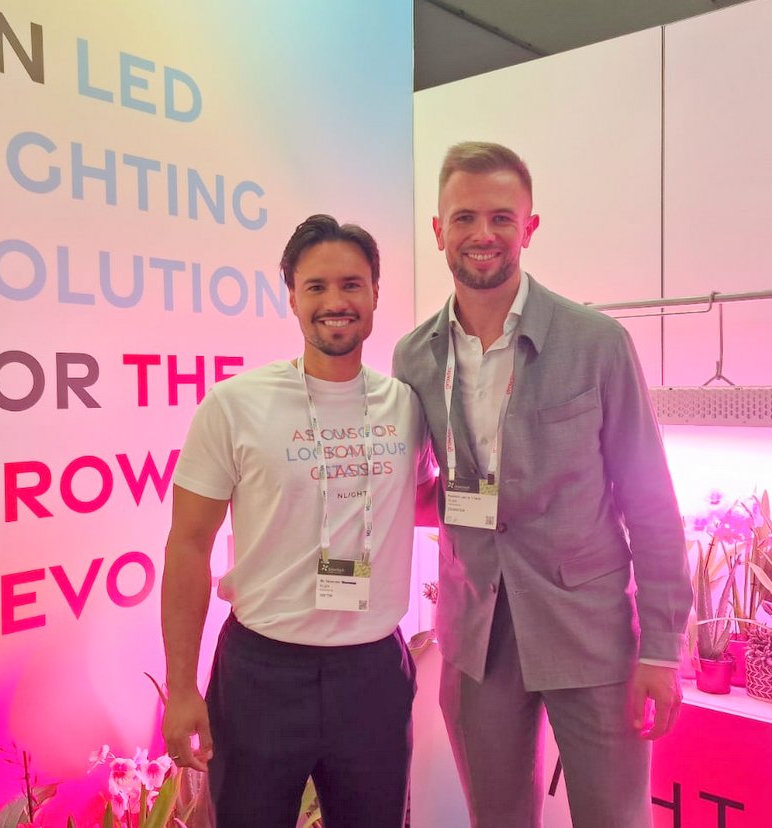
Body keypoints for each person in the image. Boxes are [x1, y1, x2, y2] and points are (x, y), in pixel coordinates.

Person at [392, 142, 692, 828]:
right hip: (477, 635)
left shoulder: (596, 343)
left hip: (589, 628)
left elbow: (650, 501)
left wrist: (661, 647)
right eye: (464, 217)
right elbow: (412, 488)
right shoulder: (414, 357)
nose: (483, 233)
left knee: (614, 818)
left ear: (528, 227)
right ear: (438, 230)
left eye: (502, 216)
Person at [161, 214, 427, 828]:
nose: (336, 301)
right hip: (261, 674)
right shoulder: (234, 405)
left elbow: (419, 499)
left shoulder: (406, 405)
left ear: (376, 293)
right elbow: (188, 545)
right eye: (316, 287)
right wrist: (181, 687)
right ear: (292, 297)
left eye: (352, 284)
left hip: (373, 674)